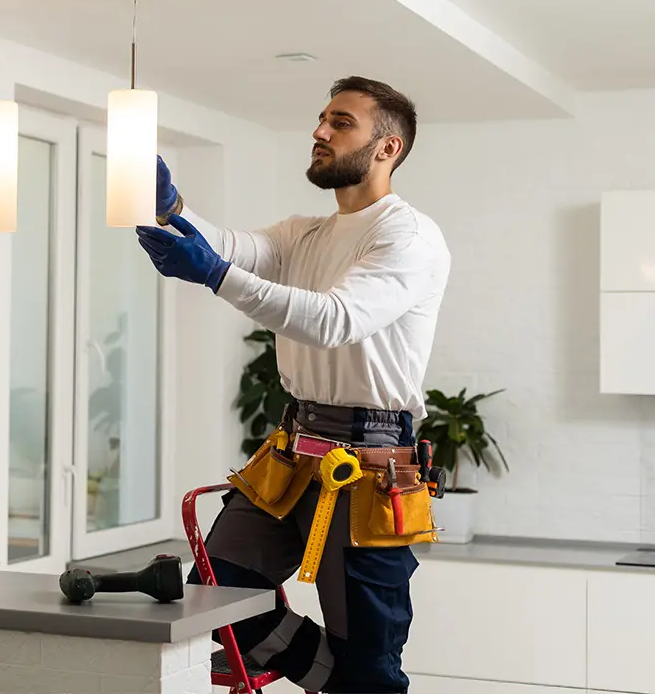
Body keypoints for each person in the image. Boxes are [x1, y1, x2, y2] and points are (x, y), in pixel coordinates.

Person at [136, 76, 450, 693]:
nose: (319, 132)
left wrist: (216, 277)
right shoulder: (304, 231)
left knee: (370, 646)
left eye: (340, 123)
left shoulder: (407, 236)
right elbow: (231, 249)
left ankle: (357, 679)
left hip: (370, 462)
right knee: (217, 597)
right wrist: (175, 210)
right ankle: (339, 680)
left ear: (387, 149)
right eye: (321, 120)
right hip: (294, 446)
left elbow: (335, 321)